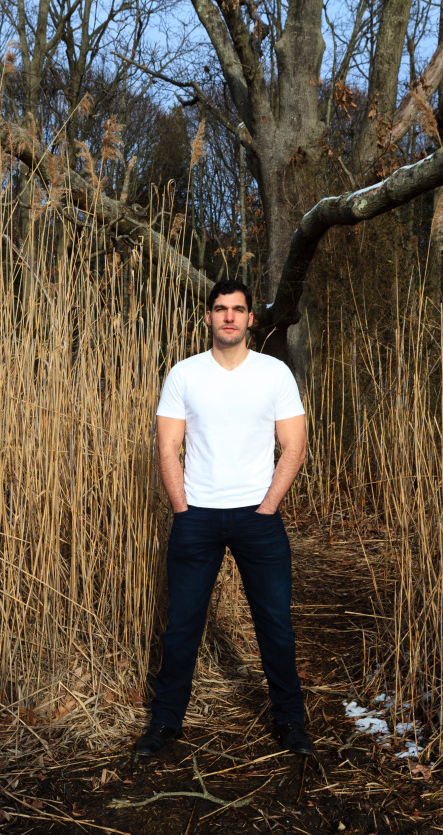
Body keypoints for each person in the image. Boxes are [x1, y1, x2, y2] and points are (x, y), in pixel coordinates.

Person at [135, 279, 313, 758]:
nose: (229, 317)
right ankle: (165, 725)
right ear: (209, 317)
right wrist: (182, 509)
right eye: (220, 309)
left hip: (259, 518)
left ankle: (290, 723)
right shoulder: (185, 374)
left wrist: (269, 506)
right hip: (197, 517)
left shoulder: (273, 374)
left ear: (251, 318)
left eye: (238, 309)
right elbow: (167, 446)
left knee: (275, 624)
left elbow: (293, 446)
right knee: (182, 626)